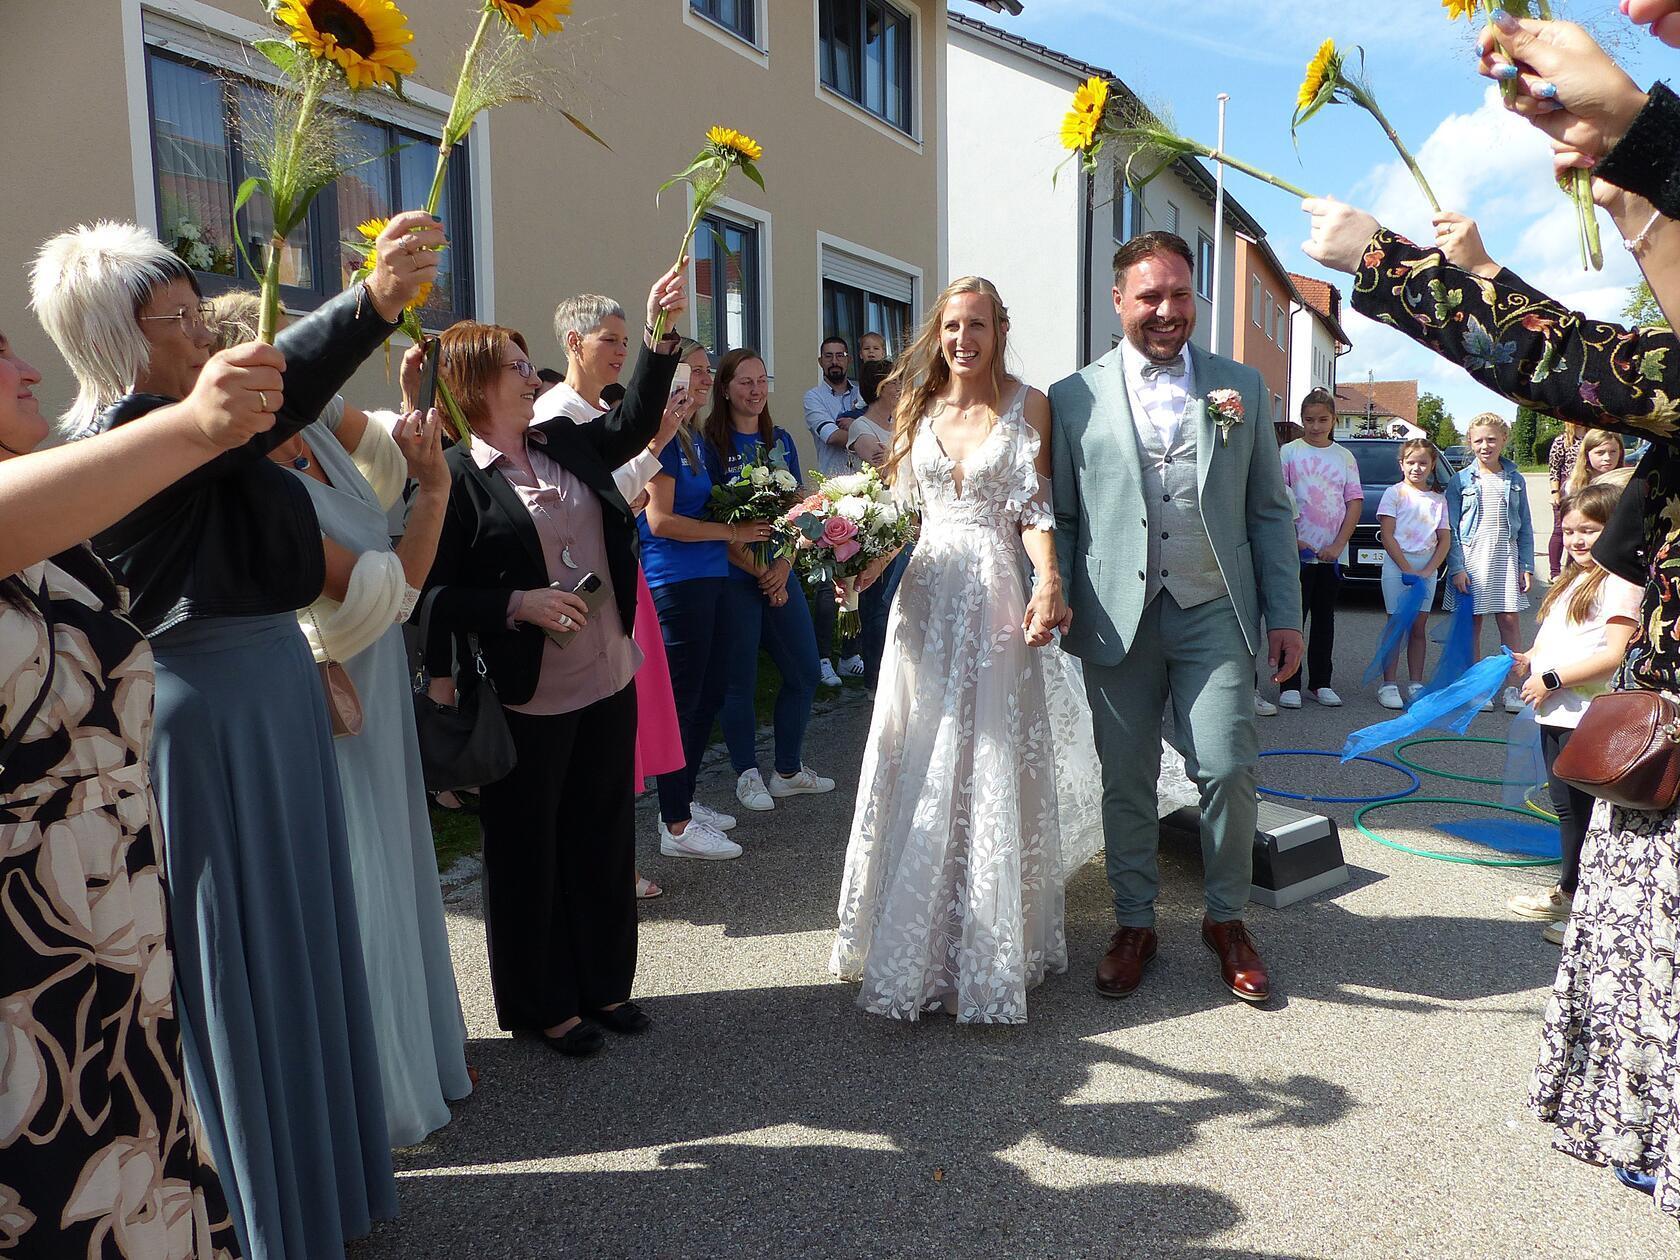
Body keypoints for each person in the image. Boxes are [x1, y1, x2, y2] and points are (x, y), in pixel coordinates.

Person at [32, 213, 438, 1258]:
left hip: (271, 688)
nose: (202, 338)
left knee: (299, 940)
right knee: (244, 961)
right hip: (208, 713)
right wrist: (370, 306)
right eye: (179, 318)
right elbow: (274, 399)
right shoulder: (124, 444)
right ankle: (268, 1209)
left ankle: (324, 1188)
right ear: (130, 338)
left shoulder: (178, 425)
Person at [1300, 180, 1680, 1213]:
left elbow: (1569, 363)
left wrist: (1386, 261)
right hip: (1659, 750)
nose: (1644, 251)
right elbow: (1580, 354)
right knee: (1640, 955)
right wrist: (1481, 275)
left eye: (1655, 230)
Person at [0, 326, 280, 1259]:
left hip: (108, 920)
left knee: (138, 1162)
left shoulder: (49, 506)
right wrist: (198, 424)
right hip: (21, 948)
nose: (27, 367)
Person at [421, 266, 687, 1059]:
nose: (531, 374)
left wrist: (659, 337)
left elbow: (635, 423)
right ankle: (544, 1002)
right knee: (529, 852)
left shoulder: (560, 437)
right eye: (513, 364)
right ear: (472, 384)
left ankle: (606, 984)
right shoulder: (456, 478)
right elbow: (430, 593)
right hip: (528, 692)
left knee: (603, 833)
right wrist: (516, 605)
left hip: (605, 670)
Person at [829, 276, 1104, 1022]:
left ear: (997, 331)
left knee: (986, 758)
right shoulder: (914, 406)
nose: (962, 339)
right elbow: (894, 511)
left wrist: (1049, 579)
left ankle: (986, 946)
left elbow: (1036, 508)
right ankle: (914, 940)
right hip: (923, 597)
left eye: (976, 325)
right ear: (938, 331)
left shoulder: (1028, 403)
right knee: (921, 751)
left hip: (992, 596)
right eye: (951, 325)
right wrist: (856, 565)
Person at [1048, 232, 1303, 1005]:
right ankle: (1134, 922)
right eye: (1150, 296)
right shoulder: (1071, 396)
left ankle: (1226, 920)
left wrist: (1285, 616)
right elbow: (1060, 514)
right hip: (1112, 613)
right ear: (1119, 300)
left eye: (1180, 295)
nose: (1167, 311)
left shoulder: (1242, 388)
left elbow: (1268, 509)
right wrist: (1050, 587)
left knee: (1226, 766)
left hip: (1213, 606)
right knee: (1124, 780)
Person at [263, 344, 473, 1148]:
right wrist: (435, 491)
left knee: (400, 854)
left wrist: (413, 395)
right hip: (329, 682)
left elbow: (396, 458)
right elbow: (391, 589)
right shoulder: (253, 471)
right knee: (363, 875)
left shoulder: (313, 422)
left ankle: (423, 1049)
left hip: (376, 673)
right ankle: (384, 1081)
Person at [535, 294, 692, 893]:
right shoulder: (556, 412)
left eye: (628, 341)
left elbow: (620, 496)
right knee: (599, 732)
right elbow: (595, 495)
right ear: (574, 343)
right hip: (582, 584)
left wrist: (652, 446)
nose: (622, 352)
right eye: (611, 340)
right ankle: (600, 863)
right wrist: (652, 451)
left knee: (623, 725)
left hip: (614, 572)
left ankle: (611, 854)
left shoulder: (598, 407)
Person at [642, 339, 772, 861]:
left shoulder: (692, 436)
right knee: (684, 704)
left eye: (705, 371)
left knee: (707, 696)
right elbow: (659, 520)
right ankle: (673, 824)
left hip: (708, 577)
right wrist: (730, 530)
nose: (703, 379)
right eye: (694, 371)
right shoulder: (666, 435)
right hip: (676, 581)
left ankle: (684, 801)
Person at [705, 349, 836, 813]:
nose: (756, 390)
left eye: (762, 380)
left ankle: (787, 770)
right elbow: (712, 523)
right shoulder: (709, 446)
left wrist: (781, 567)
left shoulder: (779, 441)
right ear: (725, 388)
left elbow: (795, 511)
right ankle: (746, 774)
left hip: (779, 572)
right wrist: (759, 570)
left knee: (803, 670)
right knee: (738, 680)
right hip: (734, 577)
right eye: (745, 381)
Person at [1509, 480, 1640, 944]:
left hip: (1585, 713)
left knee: (1582, 813)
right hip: (1557, 711)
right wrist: (1530, 657)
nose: (1577, 540)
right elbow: (1559, 636)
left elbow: (1613, 654)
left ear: (1614, 529)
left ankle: (1585, 911)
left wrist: (1551, 679)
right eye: (1569, 531)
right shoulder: (1575, 577)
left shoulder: (1619, 583)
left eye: (1589, 530)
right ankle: (1569, 890)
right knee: (1566, 807)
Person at [1444, 413, 1535, 714]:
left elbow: (1525, 528)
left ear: (1504, 440)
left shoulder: (1516, 480)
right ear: (1470, 442)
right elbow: (1452, 529)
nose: (1485, 445)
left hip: (1505, 558)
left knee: (1509, 622)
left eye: (1492, 439)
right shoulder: (1460, 480)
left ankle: (1513, 687)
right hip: (1472, 558)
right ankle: (1477, 689)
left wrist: (1526, 565)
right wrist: (1457, 567)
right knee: (1473, 624)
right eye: (1479, 440)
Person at [1277, 387, 1362, 709]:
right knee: (1292, 619)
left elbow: (1353, 502)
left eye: (1322, 420)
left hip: (1330, 555)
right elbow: (1277, 499)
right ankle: (1289, 683)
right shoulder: (1289, 452)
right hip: (1295, 553)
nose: (1315, 426)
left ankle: (1320, 682)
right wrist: (1292, 538)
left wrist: (1339, 543)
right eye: (1309, 420)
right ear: (1302, 420)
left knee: (1325, 620)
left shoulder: (1344, 457)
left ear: (1334, 420)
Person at [803, 336, 865, 684]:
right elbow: (830, 435)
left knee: (858, 579)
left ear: (849, 359)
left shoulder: (862, 393)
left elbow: (884, 421)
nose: (835, 361)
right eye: (829, 356)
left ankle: (851, 653)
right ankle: (822, 657)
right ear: (820, 361)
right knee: (827, 585)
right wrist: (862, 427)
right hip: (829, 495)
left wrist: (855, 424)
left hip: (864, 493)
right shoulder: (813, 397)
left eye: (841, 355)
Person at [846, 358, 911, 690]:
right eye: (898, 383)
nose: (903, 389)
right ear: (882, 388)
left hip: (911, 519)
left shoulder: (905, 425)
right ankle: (875, 678)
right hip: (881, 524)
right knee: (880, 601)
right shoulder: (861, 427)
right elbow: (884, 467)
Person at [1374, 438, 1451, 709]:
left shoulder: (1438, 500)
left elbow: (1444, 540)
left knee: (1418, 626)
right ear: (1402, 464)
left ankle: (1416, 683)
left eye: (1423, 463)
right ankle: (1389, 684)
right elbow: (1387, 534)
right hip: (1398, 566)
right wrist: (1406, 568)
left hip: (1426, 568)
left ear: (1432, 466)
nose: (1416, 468)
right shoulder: (1394, 494)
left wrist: (1429, 569)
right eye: (1411, 462)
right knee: (1396, 624)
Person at [1547, 422, 1586, 577]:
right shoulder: (1562, 441)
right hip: (1566, 488)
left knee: (1579, 530)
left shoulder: (1591, 439)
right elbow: (1554, 468)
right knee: (1560, 530)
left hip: (1585, 487)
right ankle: (1554, 572)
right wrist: (1555, 492)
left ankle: (1573, 569)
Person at [1566, 428, 1626, 494]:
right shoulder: (1574, 486)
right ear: (1586, 454)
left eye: (1613, 452)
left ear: (1620, 453)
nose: (1607, 458)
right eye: (1600, 452)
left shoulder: (1627, 483)